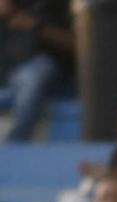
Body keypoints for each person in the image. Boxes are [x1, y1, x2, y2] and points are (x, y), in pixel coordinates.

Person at [0, 0, 71, 145]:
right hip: (8, 66)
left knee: (33, 76)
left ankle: (14, 145)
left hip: (43, 66)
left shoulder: (56, 6)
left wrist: (35, 25)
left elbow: (76, 43)